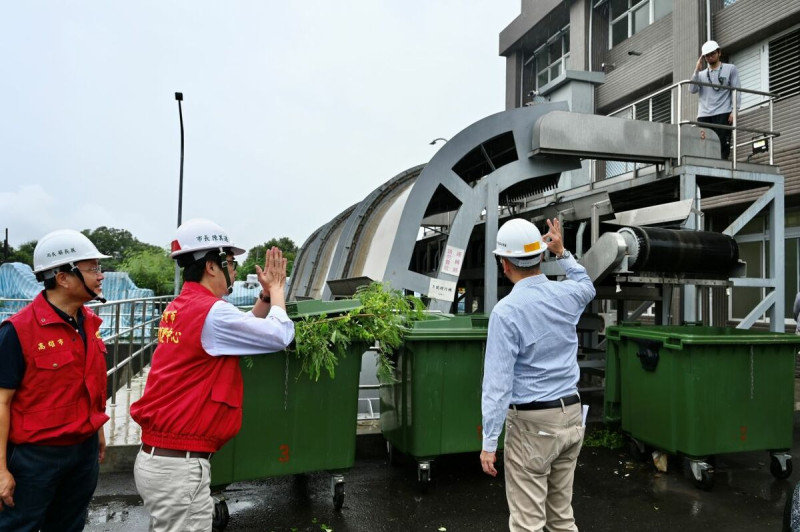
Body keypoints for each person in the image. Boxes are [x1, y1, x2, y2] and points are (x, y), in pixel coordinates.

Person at [130, 218, 295, 532]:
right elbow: (278, 335)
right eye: (230, 261)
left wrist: (262, 298)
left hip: (163, 460)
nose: (234, 269)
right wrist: (277, 291)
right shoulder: (211, 311)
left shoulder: (184, 306)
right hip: (179, 467)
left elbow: (239, 332)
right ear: (211, 266)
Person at [480, 218, 596, 532]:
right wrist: (564, 252)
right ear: (541, 256)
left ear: (504, 264)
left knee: (527, 524)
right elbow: (587, 285)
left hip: (532, 426)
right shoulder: (567, 295)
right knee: (561, 519)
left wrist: (489, 442)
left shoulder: (507, 312)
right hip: (570, 416)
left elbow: (497, 384)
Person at [0, 229, 110, 531]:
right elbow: (2, 402)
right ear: (63, 277)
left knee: (70, 524)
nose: (100, 276)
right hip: (35, 458)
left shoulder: (90, 323)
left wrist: (97, 429)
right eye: (92, 269)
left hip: (83, 451)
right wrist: (0, 471)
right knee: (19, 526)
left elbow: (89, 384)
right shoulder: (17, 332)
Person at [688, 39, 741, 160]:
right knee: (704, 144)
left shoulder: (730, 69)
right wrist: (696, 70)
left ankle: (722, 167)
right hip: (704, 114)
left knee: (722, 145)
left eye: (712, 54)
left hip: (723, 112)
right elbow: (692, 89)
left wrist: (735, 110)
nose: (710, 57)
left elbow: (736, 90)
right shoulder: (701, 75)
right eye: (707, 55)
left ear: (719, 53)